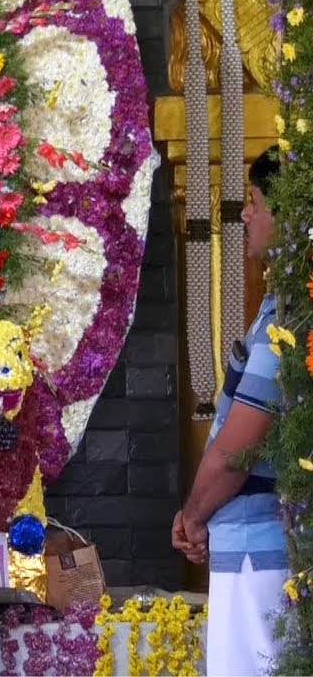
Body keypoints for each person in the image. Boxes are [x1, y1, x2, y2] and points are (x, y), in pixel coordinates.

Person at [172, 146, 288, 676]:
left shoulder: (289, 324)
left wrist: (193, 517)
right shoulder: (277, 309)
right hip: (254, 550)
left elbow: (237, 451)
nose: (244, 214)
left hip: (258, 556)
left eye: (257, 202)